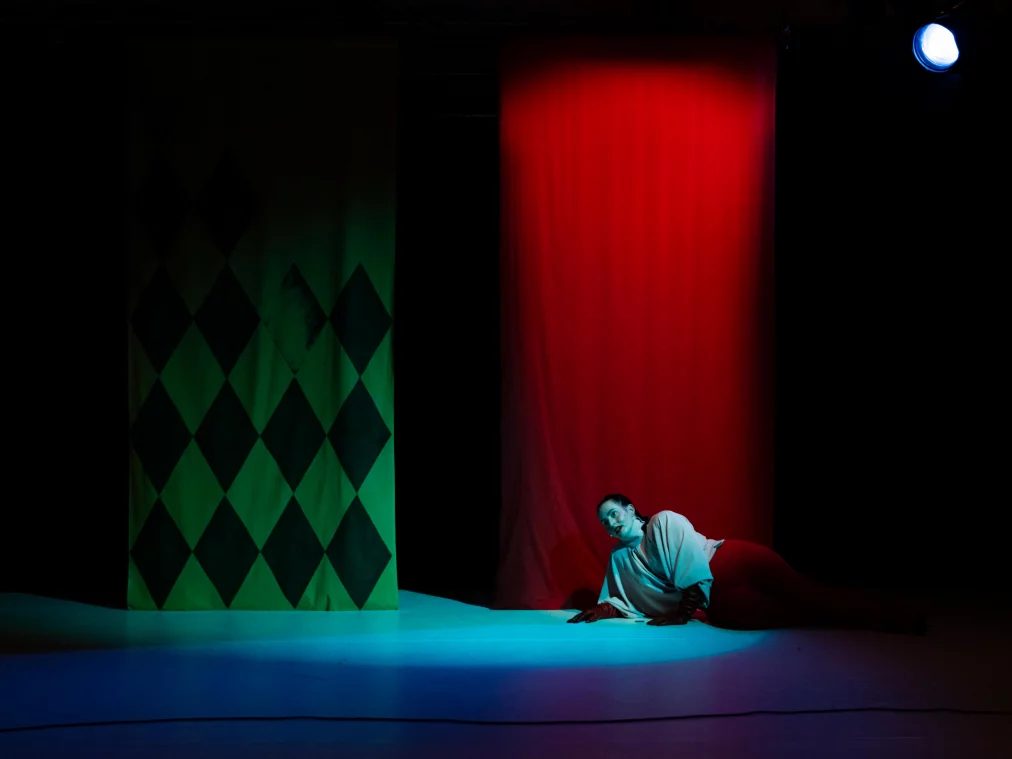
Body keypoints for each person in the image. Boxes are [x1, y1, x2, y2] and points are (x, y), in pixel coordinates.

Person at [568, 494, 926, 634]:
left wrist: (685, 608)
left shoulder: (662, 520)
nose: (611, 524)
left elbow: (691, 566)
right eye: (604, 522)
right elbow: (622, 598)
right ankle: (880, 625)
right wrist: (604, 610)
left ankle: (900, 618)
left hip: (732, 561)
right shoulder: (619, 558)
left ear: (629, 510)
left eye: (614, 514)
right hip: (722, 601)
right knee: (803, 619)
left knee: (811, 595)